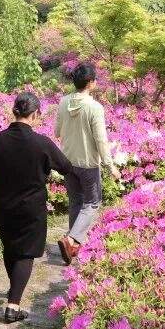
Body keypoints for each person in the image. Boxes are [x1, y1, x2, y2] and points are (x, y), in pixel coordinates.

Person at [0, 92, 74, 323]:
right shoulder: (41, 142)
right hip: (31, 208)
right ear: (36, 114)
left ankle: (14, 293)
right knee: (26, 253)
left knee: (11, 248)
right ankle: (13, 306)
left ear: (15, 112)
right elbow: (66, 167)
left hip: (3, 205)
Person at [54, 63, 120, 265]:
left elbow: (57, 132)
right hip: (88, 164)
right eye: (95, 79)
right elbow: (100, 140)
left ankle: (71, 248)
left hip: (68, 162)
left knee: (76, 202)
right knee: (92, 203)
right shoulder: (94, 107)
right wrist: (111, 166)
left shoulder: (64, 102)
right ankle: (72, 239)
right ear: (90, 83)